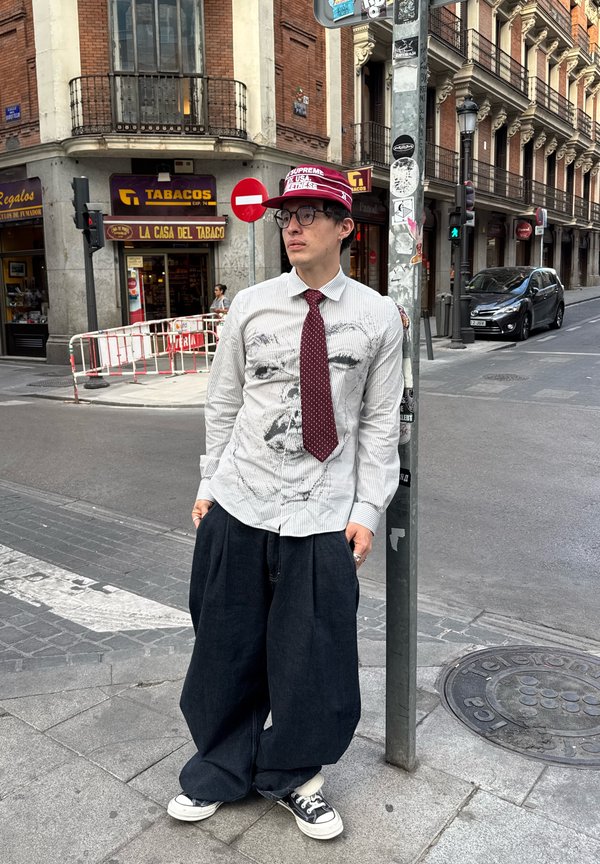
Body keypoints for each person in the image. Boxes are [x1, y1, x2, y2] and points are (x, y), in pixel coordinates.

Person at [168, 164, 404, 840]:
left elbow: (382, 423)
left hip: (324, 513)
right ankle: (218, 767)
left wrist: (367, 510)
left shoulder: (377, 317)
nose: (292, 225)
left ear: (345, 227)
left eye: (308, 213)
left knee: (315, 657)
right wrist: (209, 483)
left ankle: (295, 776)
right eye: (285, 214)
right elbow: (223, 401)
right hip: (240, 503)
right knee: (224, 647)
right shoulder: (249, 305)